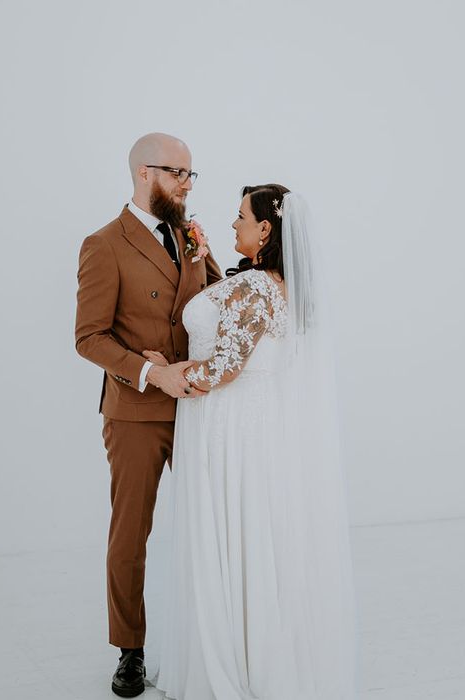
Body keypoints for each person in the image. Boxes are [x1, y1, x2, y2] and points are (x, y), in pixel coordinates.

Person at [145, 186, 360, 699]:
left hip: (226, 424)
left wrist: (161, 370)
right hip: (254, 423)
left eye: (241, 216)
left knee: (228, 526)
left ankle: (230, 660)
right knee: (249, 531)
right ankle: (251, 645)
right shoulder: (278, 285)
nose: (232, 222)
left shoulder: (256, 288)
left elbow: (223, 368)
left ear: (266, 230)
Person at [74, 132, 222, 697]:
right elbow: (89, 337)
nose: (187, 183)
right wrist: (148, 370)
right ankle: (129, 649)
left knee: (214, 522)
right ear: (143, 174)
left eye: (191, 174)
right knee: (131, 535)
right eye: (177, 173)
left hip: (202, 406)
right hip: (137, 411)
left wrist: (209, 260)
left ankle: (218, 636)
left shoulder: (190, 236)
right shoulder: (103, 244)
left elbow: (216, 303)